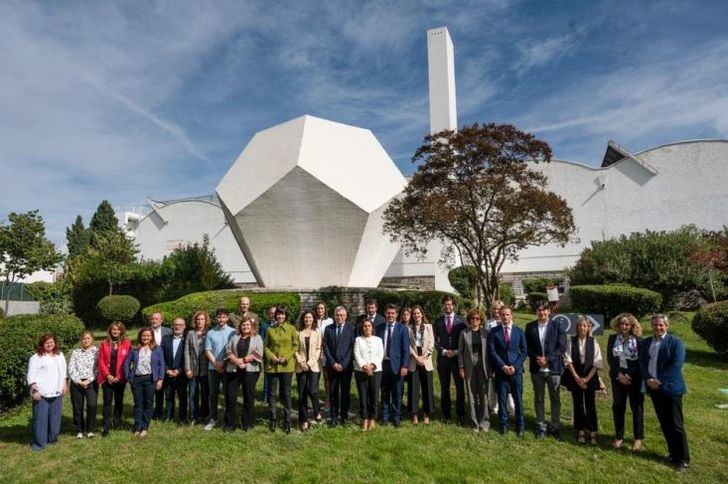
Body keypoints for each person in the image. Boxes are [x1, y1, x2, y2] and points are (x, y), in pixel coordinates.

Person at [639, 314, 690, 472]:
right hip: (654, 389)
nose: (658, 328)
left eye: (661, 325)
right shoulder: (647, 342)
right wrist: (648, 379)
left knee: (676, 424)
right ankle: (672, 454)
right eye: (655, 325)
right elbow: (642, 362)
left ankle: (683, 458)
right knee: (665, 423)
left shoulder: (675, 342)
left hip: (671, 388)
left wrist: (658, 380)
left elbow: (676, 365)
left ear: (666, 326)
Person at [525, 301, 567, 440]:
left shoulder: (557, 326)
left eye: (544, 310)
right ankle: (541, 426)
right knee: (538, 398)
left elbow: (561, 347)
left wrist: (547, 359)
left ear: (549, 311)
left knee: (555, 399)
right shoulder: (530, 327)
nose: (541, 313)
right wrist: (537, 358)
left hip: (553, 368)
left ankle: (555, 427)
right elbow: (527, 347)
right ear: (536, 312)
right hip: (537, 369)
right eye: (539, 310)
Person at [563, 315, 603, 445]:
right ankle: (580, 430)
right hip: (575, 375)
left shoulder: (594, 342)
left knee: (590, 404)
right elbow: (567, 359)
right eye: (580, 325)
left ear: (589, 328)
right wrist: (576, 377)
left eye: (585, 326)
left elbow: (598, 362)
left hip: (589, 376)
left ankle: (592, 431)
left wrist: (586, 379)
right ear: (577, 327)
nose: (582, 328)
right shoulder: (571, 340)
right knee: (578, 403)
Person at [607, 313, 644, 451]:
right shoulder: (612, 339)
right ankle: (618, 436)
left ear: (632, 325)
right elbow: (610, 359)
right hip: (617, 377)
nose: (624, 326)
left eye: (627, 324)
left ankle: (638, 438)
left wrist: (629, 375)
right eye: (622, 324)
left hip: (634, 379)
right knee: (618, 406)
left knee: (637, 408)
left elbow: (641, 361)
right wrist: (619, 374)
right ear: (618, 325)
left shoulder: (639, 341)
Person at [488, 306, 527, 435]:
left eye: (507, 315)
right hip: (501, 370)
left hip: (516, 371)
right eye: (502, 314)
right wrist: (502, 366)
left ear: (512, 316)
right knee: (502, 398)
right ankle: (503, 424)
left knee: (518, 399)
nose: (505, 317)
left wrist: (515, 366)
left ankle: (520, 425)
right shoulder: (494, 332)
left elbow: (524, 351)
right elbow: (492, 351)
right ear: (499, 315)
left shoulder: (519, 331)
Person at [27, 333, 67, 451]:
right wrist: (35, 391)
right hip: (42, 393)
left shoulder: (60, 355)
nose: (50, 344)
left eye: (51, 342)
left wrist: (64, 384)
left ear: (55, 343)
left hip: (57, 392)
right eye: (47, 342)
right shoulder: (36, 358)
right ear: (42, 344)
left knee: (55, 418)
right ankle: (39, 444)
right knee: (41, 419)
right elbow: (31, 375)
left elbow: (63, 371)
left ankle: (52, 439)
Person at [124, 327, 165, 437]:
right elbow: (127, 363)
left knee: (148, 403)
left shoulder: (157, 349)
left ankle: (145, 427)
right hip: (136, 379)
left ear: (152, 337)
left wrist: (160, 379)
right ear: (140, 337)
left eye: (148, 335)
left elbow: (162, 365)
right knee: (138, 404)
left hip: (150, 380)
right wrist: (128, 377)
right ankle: (137, 427)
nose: (146, 337)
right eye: (144, 335)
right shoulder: (134, 349)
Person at [264, 306, 299, 433]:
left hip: (286, 366)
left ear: (286, 316)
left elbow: (296, 346)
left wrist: (287, 357)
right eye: (278, 314)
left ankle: (287, 421)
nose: (280, 317)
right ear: (275, 316)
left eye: (283, 315)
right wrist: (272, 357)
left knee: (286, 394)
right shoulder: (269, 330)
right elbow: (266, 347)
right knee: (272, 394)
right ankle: (273, 419)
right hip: (272, 367)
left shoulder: (291, 329)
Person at [224, 317, 263, 431]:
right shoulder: (234, 337)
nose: (246, 327)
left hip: (250, 371)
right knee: (231, 397)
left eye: (248, 325)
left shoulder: (257, 338)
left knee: (248, 397)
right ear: (240, 326)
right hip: (234, 371)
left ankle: (247, 423)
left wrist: (244, 360)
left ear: (252, 326)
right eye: (243, 325)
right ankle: (230, 424)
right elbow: (228, 351)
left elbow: (259, 352)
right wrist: (237, 361)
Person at [433, 295, 466, 425]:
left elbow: (465, 340)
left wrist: (456, 351)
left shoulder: (461, 321)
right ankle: (445, 414)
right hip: (443, 359)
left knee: (459, 388)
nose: (448, 307)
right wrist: (443, 351)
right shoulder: (438, 321)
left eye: (450, 304)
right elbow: (434, 341)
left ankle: (461, 415)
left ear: (454, 306)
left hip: (458, 359)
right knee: (444, 388)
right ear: (443, 306)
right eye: (445, 304)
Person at [375, 304, 410, 428]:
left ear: (396, 314)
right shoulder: (379, 328)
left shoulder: (402, 329)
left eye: (393, 313)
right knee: (384, 392)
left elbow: (406, 349)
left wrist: (405, 366)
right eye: (388, 313)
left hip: (397, 365)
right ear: (385, 314)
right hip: (383, 364)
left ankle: (396, 417)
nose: (390, 315)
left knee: (397, 393)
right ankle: (384, 417)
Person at [97, 321, 131, 436]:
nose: (116, 331)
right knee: (107, 402)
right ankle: (106, 426)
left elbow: (127, 361)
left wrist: (119, 376)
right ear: (110, 330)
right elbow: (101, 361)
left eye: (118, 329)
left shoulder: (126, 343)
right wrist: (108, 375)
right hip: (107, 378)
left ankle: (117, 422)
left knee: (119, 401)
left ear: (121, 331)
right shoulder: (104, 343)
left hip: (120, 378)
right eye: (114, 329)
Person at [459, 309, 491, 432]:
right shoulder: (464, 333)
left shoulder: (486, 333)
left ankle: (484, 422)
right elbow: (460, 352)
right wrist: (461, 367)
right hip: (469, 366)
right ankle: (473, 423)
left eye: (477, 318)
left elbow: (489, 352)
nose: (475, 320)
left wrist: (490, 369)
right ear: (469, 320)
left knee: (483, 395)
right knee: (471, 395)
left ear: (481, 320)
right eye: (472, 318)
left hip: (483, 365)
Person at [323, 306, 356, 426]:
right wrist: (333, 363)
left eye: (342, 315)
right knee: (333, 392)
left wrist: (343, 364)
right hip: (332, 367)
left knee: (345, 392)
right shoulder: (328, 329)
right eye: (337, 315)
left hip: (346, 367)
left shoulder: (351, 329)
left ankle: (344, 416)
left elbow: (352, 348)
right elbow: (325, 346)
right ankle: (333, 416)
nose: (339, 317)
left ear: (346, 316)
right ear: (334, 316)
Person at [204, 308, 235, 430]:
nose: (221, 319)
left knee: (228, 394)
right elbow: (207, 350)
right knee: (213, 394)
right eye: (219, 317)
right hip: (213, 368)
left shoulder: (233, 332)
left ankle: (228, 419)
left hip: (228, 367)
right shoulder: (211, 332)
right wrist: (216, 363)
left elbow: (233, 349)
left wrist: (223, 363)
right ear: (216, 318)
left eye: (223, 317)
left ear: (227, 318)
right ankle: (213, 418)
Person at [354, 319, 384, 431]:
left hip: (376, 371)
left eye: (369, 326)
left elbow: (380, 354)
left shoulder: (378, 340)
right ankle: (364, 419)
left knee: (374, 395)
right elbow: (356, 354)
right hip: (361, 371)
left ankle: (373, 419)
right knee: (363, 396)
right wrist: (365, 367)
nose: (367, 328)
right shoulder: (358, 339)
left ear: (372, 328)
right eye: (365, 326)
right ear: (362, 328)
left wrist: (372, 366)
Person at [407, 305, 434, 425]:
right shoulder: (408, 328)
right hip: (413, 360)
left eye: (418, 313)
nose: (416, 316)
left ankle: (427, 414)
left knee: (427, 388)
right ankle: (414, 415)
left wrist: (424, 357)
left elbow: (431, 344)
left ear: (422, 314)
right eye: (414, 314)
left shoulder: (428, 327)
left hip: (426, 360)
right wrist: (416, 357)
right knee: (413, 388)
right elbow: (407, 345)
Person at [295, 310, 323, 430]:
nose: (308, 319)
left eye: (310, 317)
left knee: (313, 391)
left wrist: (309, 363)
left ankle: (317, 412)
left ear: (313, 319)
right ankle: (304, 419)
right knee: (302, 394)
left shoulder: (317, 332)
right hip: (301, 367)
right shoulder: (298, 332)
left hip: (313, 366)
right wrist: (301, 362)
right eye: (306, 317)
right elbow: (295, 349)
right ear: (303, 319)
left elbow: (318, 349)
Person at [68, 330, 98, 438]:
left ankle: (90, 429)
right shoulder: (76, 352)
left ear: (92, 339)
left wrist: (88, 380)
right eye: (84, 339)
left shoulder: (97, 352)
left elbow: (97, 369)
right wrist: (79, 381)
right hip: (77, 383)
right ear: (81, 340)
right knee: (77, 407)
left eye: (88, 338)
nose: (86, 340)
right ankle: (79, 430)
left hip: (91, 383)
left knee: (92, 405)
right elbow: (71, 368)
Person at [185, 310, 210, 424]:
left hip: (206, 369)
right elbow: (187, 352)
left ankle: (205, 415)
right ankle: (193, 416)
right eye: (198, 319)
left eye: (202, 319)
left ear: (206, 321)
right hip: (193, 369)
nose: (200, 321)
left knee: (205, 394)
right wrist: (188, 368)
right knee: (193, 394)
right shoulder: (190, 333)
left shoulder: (210, 333)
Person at [161, 317, 188, 423]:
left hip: (181, 373)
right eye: (175, 324)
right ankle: (169, 416)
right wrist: (167, 370)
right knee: (168, 395)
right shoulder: (166, 338)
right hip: (168, 373)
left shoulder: (187, 339)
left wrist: (179, 370)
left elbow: (187, 357)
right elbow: (161, 356)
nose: (177, 327)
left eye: (180, 325)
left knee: (182, 396)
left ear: (184, 326)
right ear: (172, 326)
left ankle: (182, 417)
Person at [149, 311, 171, 420]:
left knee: (163, 390)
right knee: (153, 390)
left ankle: (164, 412)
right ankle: (154, 411)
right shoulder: (146, 331)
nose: (154, 320)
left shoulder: (168, 332)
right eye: (153, 318)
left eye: (157, 318)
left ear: (161, 320)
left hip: (165, 364)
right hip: (150, 365)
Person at [315, 301, 333, 418]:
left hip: (326, 352)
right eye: (318, 308)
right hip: (315, 352)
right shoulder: (313, 320)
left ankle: (327, 401)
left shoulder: (330, 321)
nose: (320, 310)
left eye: (322, 308)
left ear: (325, 309)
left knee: (327, 379)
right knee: (315, 378)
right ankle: (315, 402)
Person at [260, 305, 275, 405]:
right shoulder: (264, 325)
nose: (272, 315)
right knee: (267, 376)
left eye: (274, 313)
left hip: (279, 355)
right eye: (271, 313)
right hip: (267, 354)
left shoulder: (280, 325)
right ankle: (265, 396)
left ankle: (274, 396)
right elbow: (261, 340)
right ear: (268, 314)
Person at [400, 306, 412, 415]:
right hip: (402, 358)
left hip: (412, 359)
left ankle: (410, 405)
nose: (406, 316)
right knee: (401, 383)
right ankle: (400, 404)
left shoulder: (413, 327)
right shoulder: (399, 326)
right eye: (404, 314)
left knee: (411, 384)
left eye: (408, 314)